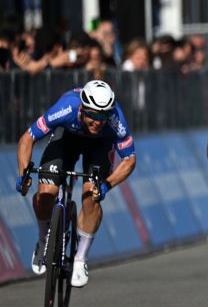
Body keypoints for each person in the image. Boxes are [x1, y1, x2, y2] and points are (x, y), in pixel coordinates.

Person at [15, 80, 137, 287]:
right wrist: (23, 174)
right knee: (46, 193)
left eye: (103, 116)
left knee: (91, 198)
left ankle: (80, 259)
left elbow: (130, 159)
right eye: (94, 115)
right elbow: (28, 138)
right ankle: (44, 239)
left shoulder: (115, 118)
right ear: (81, 109)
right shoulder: (66, 108)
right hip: (67, 137)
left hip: (100, 145)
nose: (98, 121)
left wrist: (107, 185)